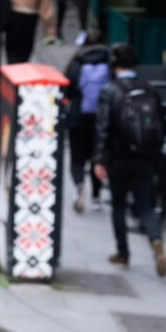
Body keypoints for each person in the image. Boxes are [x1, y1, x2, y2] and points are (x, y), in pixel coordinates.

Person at [93, 42, 166, 276]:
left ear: (114, 64)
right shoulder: (149, 89)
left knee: (118, 205)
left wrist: (99, 159)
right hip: (145, 157)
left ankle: (123, 252)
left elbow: (103, 128)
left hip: (119, 158)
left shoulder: (110, 90)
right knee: (145, 205)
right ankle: (155, 239)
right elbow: (162, 124)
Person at [65, 30, 110, 211]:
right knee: (97, 158)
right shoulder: (109, 62)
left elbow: (67, 89)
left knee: (77, 157)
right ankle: (96, 197)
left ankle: (78, 187)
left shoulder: (77, 62)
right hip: (101, 119)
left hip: (78, 117)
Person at [1, 0, 56, 64]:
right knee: (25, 52)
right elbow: (46, 10)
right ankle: (20, 73)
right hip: (30, 20)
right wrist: (50, 32)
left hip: (14, 18)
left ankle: (12, 72)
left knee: (12, 50)